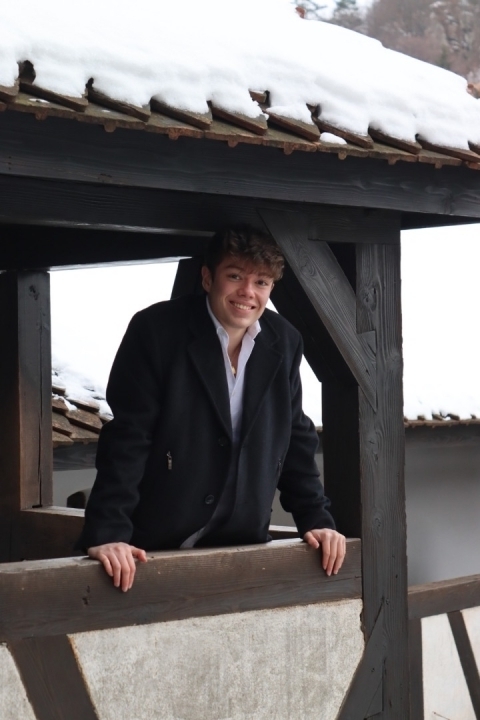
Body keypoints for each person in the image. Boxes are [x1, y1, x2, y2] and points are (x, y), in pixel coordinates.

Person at [79, 226, 346, 591]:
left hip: (242, 543)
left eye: (261, 282)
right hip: (152, 543)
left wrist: (317, 519)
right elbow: (128, 438)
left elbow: (295, 437)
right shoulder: (156, 331)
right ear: (207, 278)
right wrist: (109, 532)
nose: (248, 292)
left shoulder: (285, 341)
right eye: (235, 276)